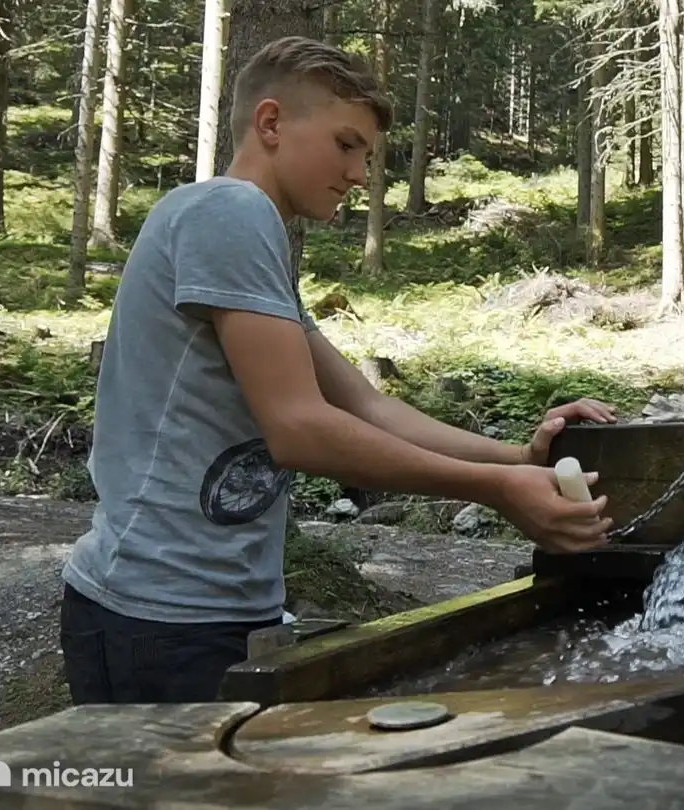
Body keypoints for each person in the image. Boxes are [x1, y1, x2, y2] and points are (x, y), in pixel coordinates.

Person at [58, 36, 618, 706]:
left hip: (210, 613)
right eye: (346, 144)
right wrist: (496, 489)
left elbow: (363, 405)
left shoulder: (237, 232)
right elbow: (300, 429)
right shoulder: (229, 213)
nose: (359, 174)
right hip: (159, 616)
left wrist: (518, 456)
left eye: (368, 157)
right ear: (271, 124)